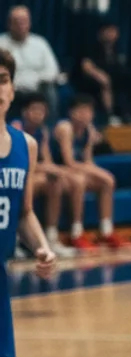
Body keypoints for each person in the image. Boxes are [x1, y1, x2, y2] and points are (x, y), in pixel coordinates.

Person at [0, 49, 58, 357]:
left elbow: (23, 213)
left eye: (2, 79)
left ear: (11, 87)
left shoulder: (27, 145)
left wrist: (42, 246)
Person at [51, 95, 127, 250]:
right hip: (57, 172)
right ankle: (76, 233)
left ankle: (106, 231)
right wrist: (95, 171)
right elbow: (68, 161)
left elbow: (88, 160)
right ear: (72, 112)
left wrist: (99, 173)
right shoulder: (65, 128)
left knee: (107, 181)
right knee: (80, 181)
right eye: (81, 110)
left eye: (88, 111)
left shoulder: (89, 130)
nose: (85, 114)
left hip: (74, 171)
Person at [12, 93, 82, 259]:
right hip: (15, 176)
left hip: (32, 175)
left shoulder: (42, 132)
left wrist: (59, 172)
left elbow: (47, 162)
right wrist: (50, 169)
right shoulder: (16, 128)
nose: (38, 114)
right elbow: (18, 164)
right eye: (34, 109)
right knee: (22, 185)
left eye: (42, 110)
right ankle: (13, 242)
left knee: (55, 182)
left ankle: (51, 237)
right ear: (25, 112)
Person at [70, 21, 131, 124]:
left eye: (114, 31)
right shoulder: (90, 46)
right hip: (91, 82)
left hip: (115, 80)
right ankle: (110, 116)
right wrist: (101, 76)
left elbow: (122, 69)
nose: (111, 34)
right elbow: (87, 66)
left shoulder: (117, 50)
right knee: (106, 83)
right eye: (109, 31)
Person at [0, 6, 61, 120]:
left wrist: (36, 79)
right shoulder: (1, 43)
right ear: (9, 24)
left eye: (24, 22)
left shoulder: (40, 43)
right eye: (17, 22)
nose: (21, 26)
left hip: (36, 87)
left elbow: (53, 70)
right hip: (12, 87)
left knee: (51, 91)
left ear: (29, 23)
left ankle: (50, 125)